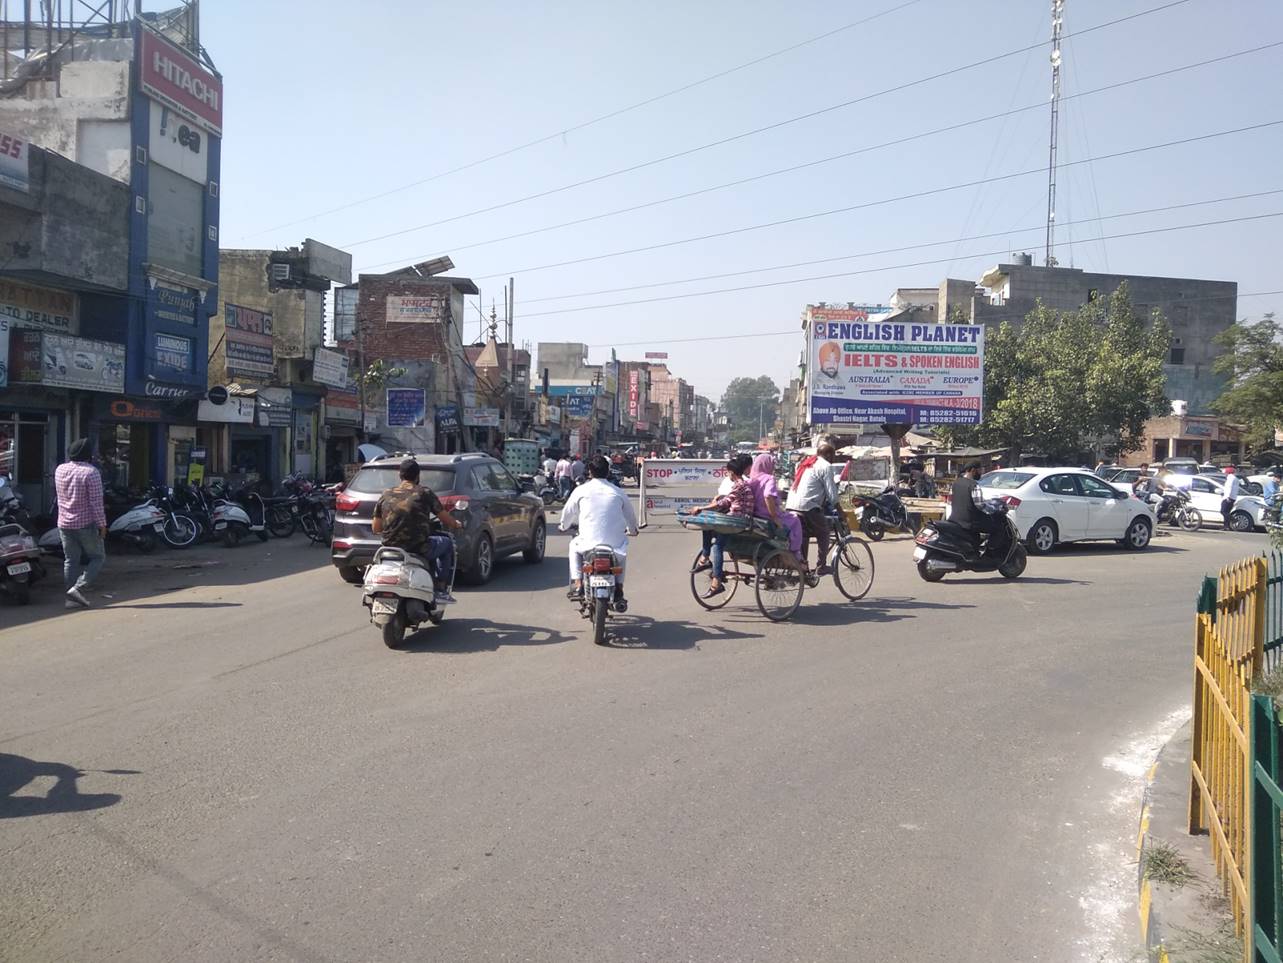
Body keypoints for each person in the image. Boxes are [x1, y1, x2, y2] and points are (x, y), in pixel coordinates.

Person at [371, 458, 463, 604]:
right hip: (419, 547)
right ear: (418, 476)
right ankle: (440, 587)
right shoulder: (424, 492)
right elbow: (445, 518)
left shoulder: (386, 494)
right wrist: (456, 524)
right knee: (446, 543)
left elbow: (376, 528)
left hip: (390, 547)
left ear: (399, 475)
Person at [560, 455, 638, 603]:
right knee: (622, 553)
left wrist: (563, 526)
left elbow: (568, 513)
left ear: (590, 471)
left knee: (573, 547)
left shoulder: (580, 490)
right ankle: (619, 587)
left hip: (587, 545)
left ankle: (578, 584)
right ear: (608, 471)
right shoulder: (618, 492)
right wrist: (633, 531)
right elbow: (631, 517)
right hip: (614, 546)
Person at [686, 454, 754, 595]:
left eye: (728, 472)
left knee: (717, 546)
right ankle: (705, 558)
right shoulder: (739, 484)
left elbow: (725, 503)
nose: (727, 474)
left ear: (732, 473)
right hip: (732, 518)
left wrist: (701, 508)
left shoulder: (740, 485)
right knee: (707, 523)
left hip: (737, 521)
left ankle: (716, 582)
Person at [54, 438, 107, 609]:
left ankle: (70, 599)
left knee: (70, 560)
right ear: (88, 455)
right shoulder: (91, 473)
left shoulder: (60, 469)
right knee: (98, 557)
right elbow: (96, 503)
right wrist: (102, 525)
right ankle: (77, 588)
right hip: (85, 524)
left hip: (64, 523)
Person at [787, 442, 840, 574]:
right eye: (833, 456)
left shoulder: (807, 464)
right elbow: (832, 496)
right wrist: (841, 512)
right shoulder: (826, 466)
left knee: (804, 535)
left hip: (791, 505)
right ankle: (821, 565)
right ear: (828, 455)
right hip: (808, 506)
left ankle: (803, 567)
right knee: (824, 532)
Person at [748, 452, 803, 563]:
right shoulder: (769, 478)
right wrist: (774, 517)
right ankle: (794, 552)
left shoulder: (751, 479)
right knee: (795, 519)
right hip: (768, 515)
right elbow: (768, 496)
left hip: (756, 515)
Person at [950, 461, 1002, 551]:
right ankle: (991, 553)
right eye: (980, 470)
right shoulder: (973, 485)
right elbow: (980, 505)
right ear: (973, 470)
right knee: (997, 528)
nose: (981, 473)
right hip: (969, 522)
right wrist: (994, 509)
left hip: (954, 519)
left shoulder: (956, 482)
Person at [1220, 464, 1242, 531]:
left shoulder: (1230, 478)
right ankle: (1226, 526)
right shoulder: (1235, 479)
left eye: (1226, 473)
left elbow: (1229, 488)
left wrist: (1227, 496)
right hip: (1233, 497)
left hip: (1228, 497)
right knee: (1227, 512)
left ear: (1228, 472)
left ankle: (1234, 519)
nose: (1225, 474)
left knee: (1223, 511)